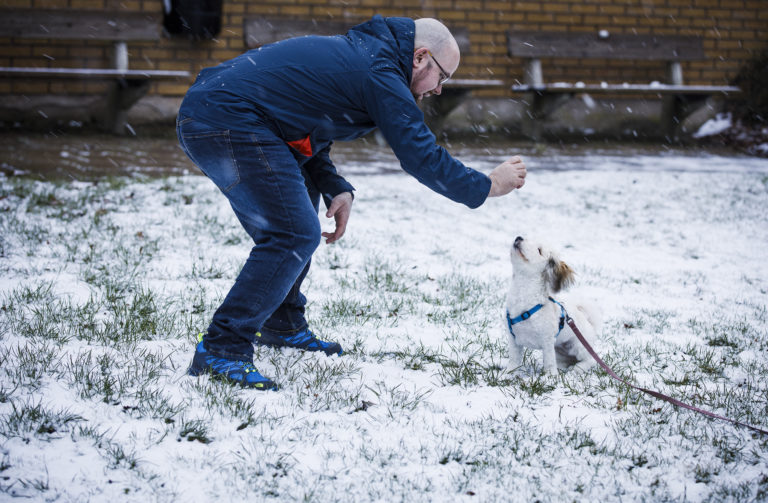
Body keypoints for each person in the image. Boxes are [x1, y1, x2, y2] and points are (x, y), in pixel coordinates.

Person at [178, 15, 527, 390]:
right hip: (226, 116)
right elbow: (420, 156)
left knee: (298, 212)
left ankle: (283, 323)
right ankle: (222, 348)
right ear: (420, 57)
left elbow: (309, 122)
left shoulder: (370, 56)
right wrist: (488, 184)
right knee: (293, 232)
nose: (440, 89)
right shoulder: (381, 71)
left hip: (226, 112)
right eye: (442, 77)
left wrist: (334, 185)